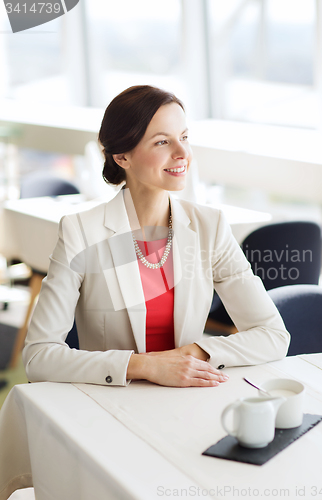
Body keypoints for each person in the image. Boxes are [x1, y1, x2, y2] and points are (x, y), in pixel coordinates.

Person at [23, 85, 290, 388]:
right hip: (111, 401)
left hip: (187, 395)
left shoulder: (210, 226)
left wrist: (194, 353)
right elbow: (38, 356)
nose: (182, 153)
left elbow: (273, 335)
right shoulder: (81, 232)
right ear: (122, 157)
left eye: (184, 137)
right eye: (163, 141)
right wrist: (145, 365)